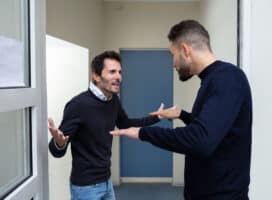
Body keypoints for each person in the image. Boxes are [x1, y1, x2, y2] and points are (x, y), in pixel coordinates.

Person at [110, 20, 252, 200]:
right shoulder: (213, 79)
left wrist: (143, 133)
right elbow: (215, 129)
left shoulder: (227, 78)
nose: (173, 64)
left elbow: (201, 140)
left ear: (185, 50)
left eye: (173, 55)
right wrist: (182, 115)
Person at [48, 51, 162, 200]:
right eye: (112, 72)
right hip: (86, 188)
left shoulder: (113, 100)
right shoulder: (79, 105)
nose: (118, 77)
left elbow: (126, 124)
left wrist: (156, 118)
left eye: (120, 72)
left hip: (107, 182)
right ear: (96, 76)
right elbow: (56, 150)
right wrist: (59, 142)